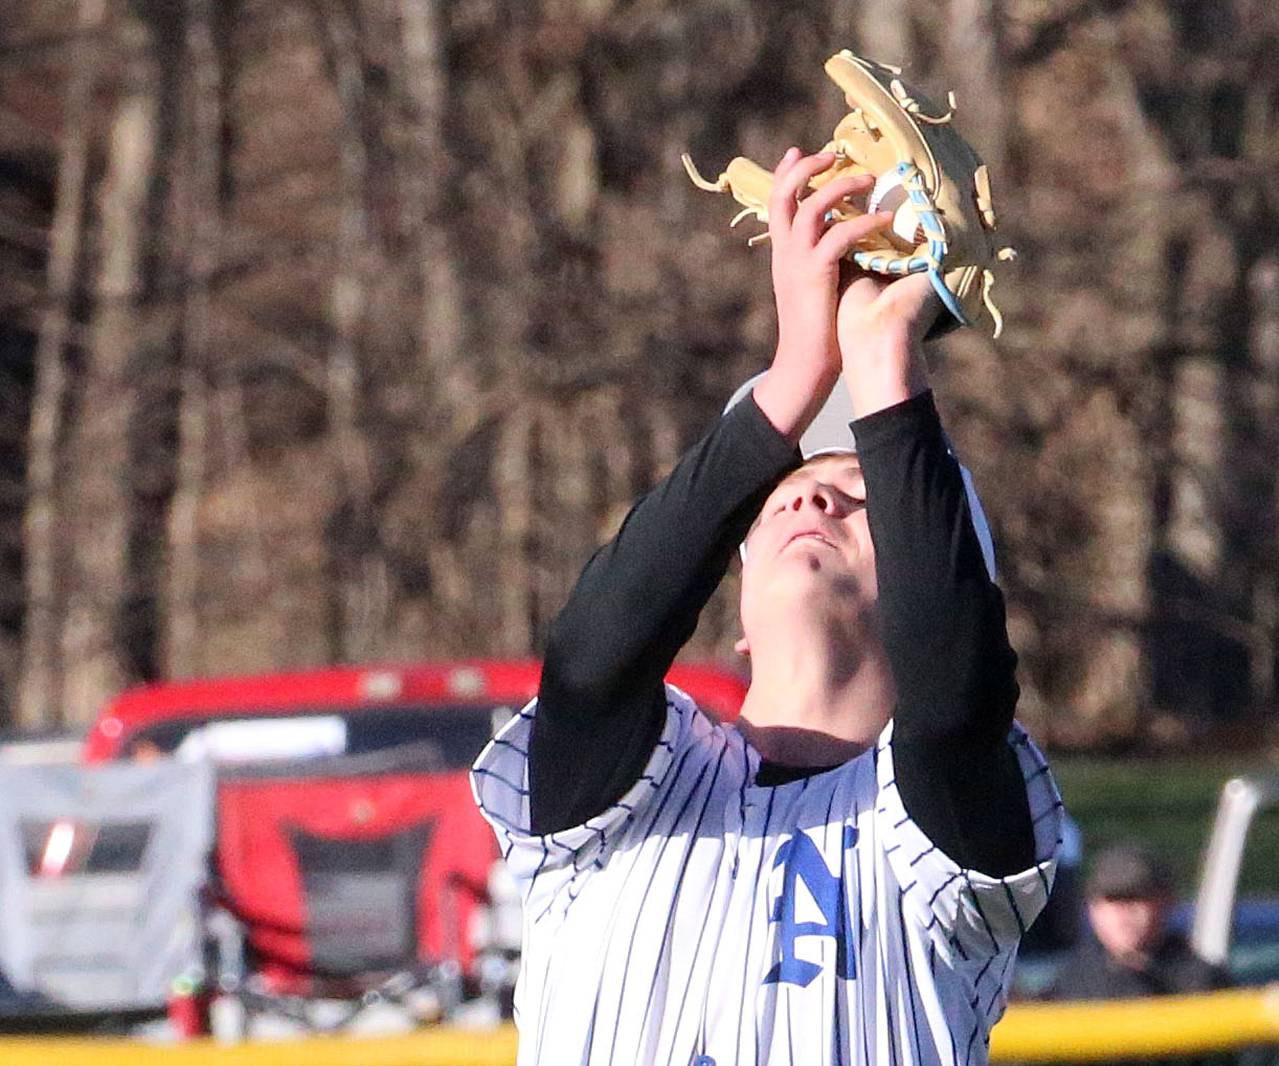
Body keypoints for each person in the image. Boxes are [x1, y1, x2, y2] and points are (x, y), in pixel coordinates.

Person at [472, 147, 1063, 1065]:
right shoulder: (630, 793)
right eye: (782, 494)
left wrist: (883, 355)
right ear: (738, 617)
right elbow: (590, 658)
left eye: (862, 497)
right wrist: (795, 375)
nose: (812, 495)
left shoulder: (935, 840)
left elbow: (953, 694)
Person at [1049, 843, 1231, 1000]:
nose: (1124, 912)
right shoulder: (1066, 991)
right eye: (1113, 899)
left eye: (1136, 897)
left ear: (1167, 901)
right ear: (1091, 908)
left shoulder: (1207, 986)